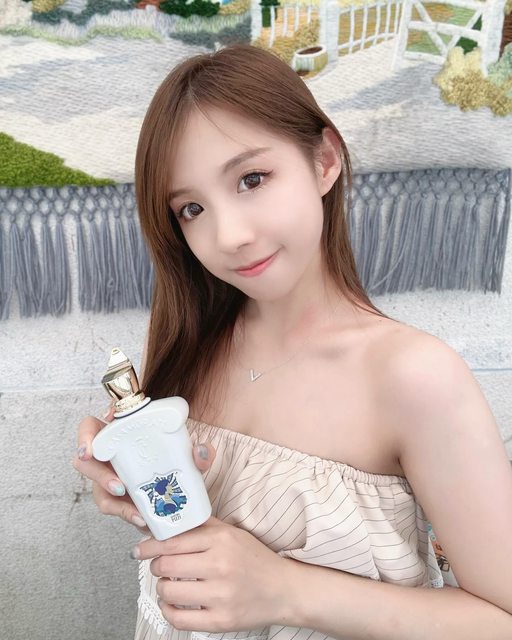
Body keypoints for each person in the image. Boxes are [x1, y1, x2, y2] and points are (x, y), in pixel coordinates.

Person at [73, 43, 512, 640]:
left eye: (252, 179)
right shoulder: (193, 351)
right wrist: (128, 474)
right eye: (192, 208)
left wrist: (285, 590)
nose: (229, 234)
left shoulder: (412, 377)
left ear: (324, 161)